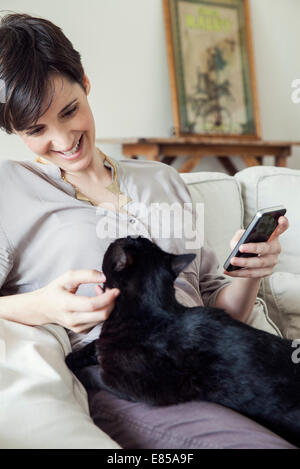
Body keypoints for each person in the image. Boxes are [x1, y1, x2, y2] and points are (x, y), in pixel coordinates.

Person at [0, 13, 292, 449]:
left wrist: (248, 272)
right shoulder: (11, 190)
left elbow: (218, 306)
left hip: (222, 360)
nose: (63, 140)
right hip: (138, 377)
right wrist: (43, 306)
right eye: (36, 130)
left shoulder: (162, 179)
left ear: (85, 83)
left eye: (69, 110)